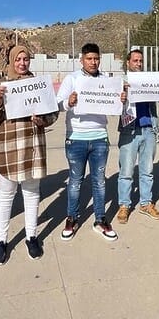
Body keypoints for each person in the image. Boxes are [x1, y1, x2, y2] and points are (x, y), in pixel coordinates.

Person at [0, 45, 58, 265]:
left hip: (33, 148)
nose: (22, 63)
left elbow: (53, 115)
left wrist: (43, 121)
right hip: (9, 150)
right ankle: (1, 241)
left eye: (26, 59)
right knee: (5, 196)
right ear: (11, 61)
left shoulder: (39, 86)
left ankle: (31, 236)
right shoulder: (1, 86)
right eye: (18, 59)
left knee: (32, 194)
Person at [56, 43, 122, 242]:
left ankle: (100, 219)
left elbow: (114, 107)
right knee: (75, 182)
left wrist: (121, 99)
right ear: (81, 59)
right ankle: (72, 218)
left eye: (96, 58)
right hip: (76, 138)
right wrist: (69, 102)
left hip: (100, 138)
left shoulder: (106, 80)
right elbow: (58, 105)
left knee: (99, 181)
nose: (93, 62)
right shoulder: (72, 79)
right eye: (89, 58)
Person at [116, 49, 159, 224]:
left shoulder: (150, 81)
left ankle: (146, 204)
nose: (139, 64)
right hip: (129, 130)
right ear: (128, 63)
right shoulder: (120, 82)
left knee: (147, 171)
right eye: (135, 61)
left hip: (149, 129)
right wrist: (121, 96)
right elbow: (112, 106)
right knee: (126, 171)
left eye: (141, 61)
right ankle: (124, 205)